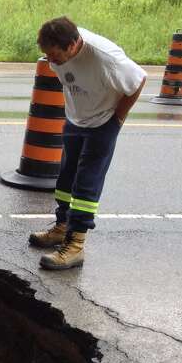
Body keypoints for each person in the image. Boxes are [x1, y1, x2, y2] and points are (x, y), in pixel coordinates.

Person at [29, 16, 147, 270]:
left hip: (103, 123)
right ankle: (62, 227)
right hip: (75, 119)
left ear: (73, 45)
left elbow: (138, 81)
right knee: (65, 179)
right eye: (47, 55)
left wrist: (117, 119)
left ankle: (75, 246)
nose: (51, 62)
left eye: (55, 56)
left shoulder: (106, 59)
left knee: (85, 185)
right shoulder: (60, 49)